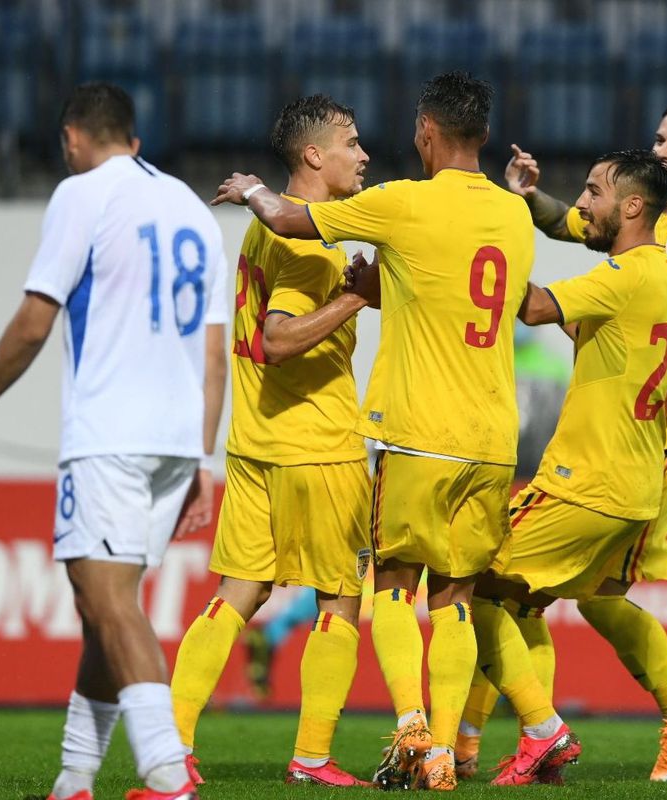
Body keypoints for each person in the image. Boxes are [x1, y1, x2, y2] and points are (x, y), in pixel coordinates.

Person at [213, 71, 535, 792]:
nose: (367, 153)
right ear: (481, 134)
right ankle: (451, 747)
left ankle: (413, 728)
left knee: (386, 587)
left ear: (426, 130)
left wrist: (252, 191)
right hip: (492, 439)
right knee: (457, 599)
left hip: (418, 432)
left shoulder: (403, 203)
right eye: (351, 143)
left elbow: (290, 220)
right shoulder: (514, 218)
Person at [460, 98, 667, 783]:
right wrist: (529, 199)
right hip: (631, 434)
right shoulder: (639, 243)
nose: (664, 151)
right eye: (658, 138)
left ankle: (513, 731)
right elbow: (580, 223)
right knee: (585, 594)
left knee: (501, 585)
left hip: (662, 435)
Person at [0, 83, 227, 800]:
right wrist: (203, 457)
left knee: (105, 599)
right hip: (174, 440)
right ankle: (74, 777)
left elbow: (35, 319)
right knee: (107, 606)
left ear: (74, 136)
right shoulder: (193, 211)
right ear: (133, 136)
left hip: (111, 434)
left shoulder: (82, 193)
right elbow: (214, 353)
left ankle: (167, 774)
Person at [168, 94, 373, 789]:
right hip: (316, 445)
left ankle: (174, 743)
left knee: (239, 591)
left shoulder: (266, 226)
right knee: (341, 598)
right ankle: (312, 756)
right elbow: (277, 339)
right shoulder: (308, 239)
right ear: (314, 155)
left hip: (255, 442)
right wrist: (355, 298)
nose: (363, 153)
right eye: (350, 141)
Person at [471, 149, 667, 786]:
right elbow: (601, 343)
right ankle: (508, 748)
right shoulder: (663, 278)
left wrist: (473, 253)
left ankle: (541, 731)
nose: (582, 204)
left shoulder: (625, 275)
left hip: (585, 483)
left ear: (631, 206)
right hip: (632, 487)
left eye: (593, 192)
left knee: (466, 585)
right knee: (528, 603)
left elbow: (535, 307)